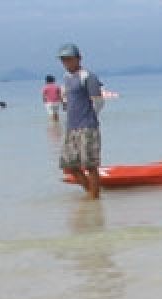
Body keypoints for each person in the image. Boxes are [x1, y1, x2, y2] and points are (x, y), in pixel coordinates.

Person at [57, 43, 104, 199]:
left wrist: (90, 117)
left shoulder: (88, 76)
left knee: (90, 165)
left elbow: (98, 101)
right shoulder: (66, 78)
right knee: (70, 166)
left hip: (87, 127)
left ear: (78, 59)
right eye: (64, 60)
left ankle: (94, 198)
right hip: (71, 127)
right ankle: (91, 193)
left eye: (69, 59)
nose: (67, 63)